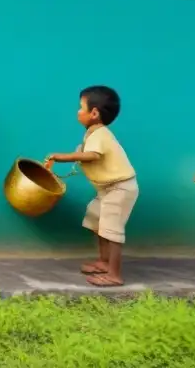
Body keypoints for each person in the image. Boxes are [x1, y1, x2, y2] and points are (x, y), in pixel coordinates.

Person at [45, 85, 139, 288]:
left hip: (120, 188)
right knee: (97, 220)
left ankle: (114, 274)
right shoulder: (92, 134)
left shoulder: (100, 134)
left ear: (94, 113)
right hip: (107, 190)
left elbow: (92, 156)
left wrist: (62, 157)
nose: (78, 112)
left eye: (81, 107)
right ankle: (104, 262)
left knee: (111, 230)